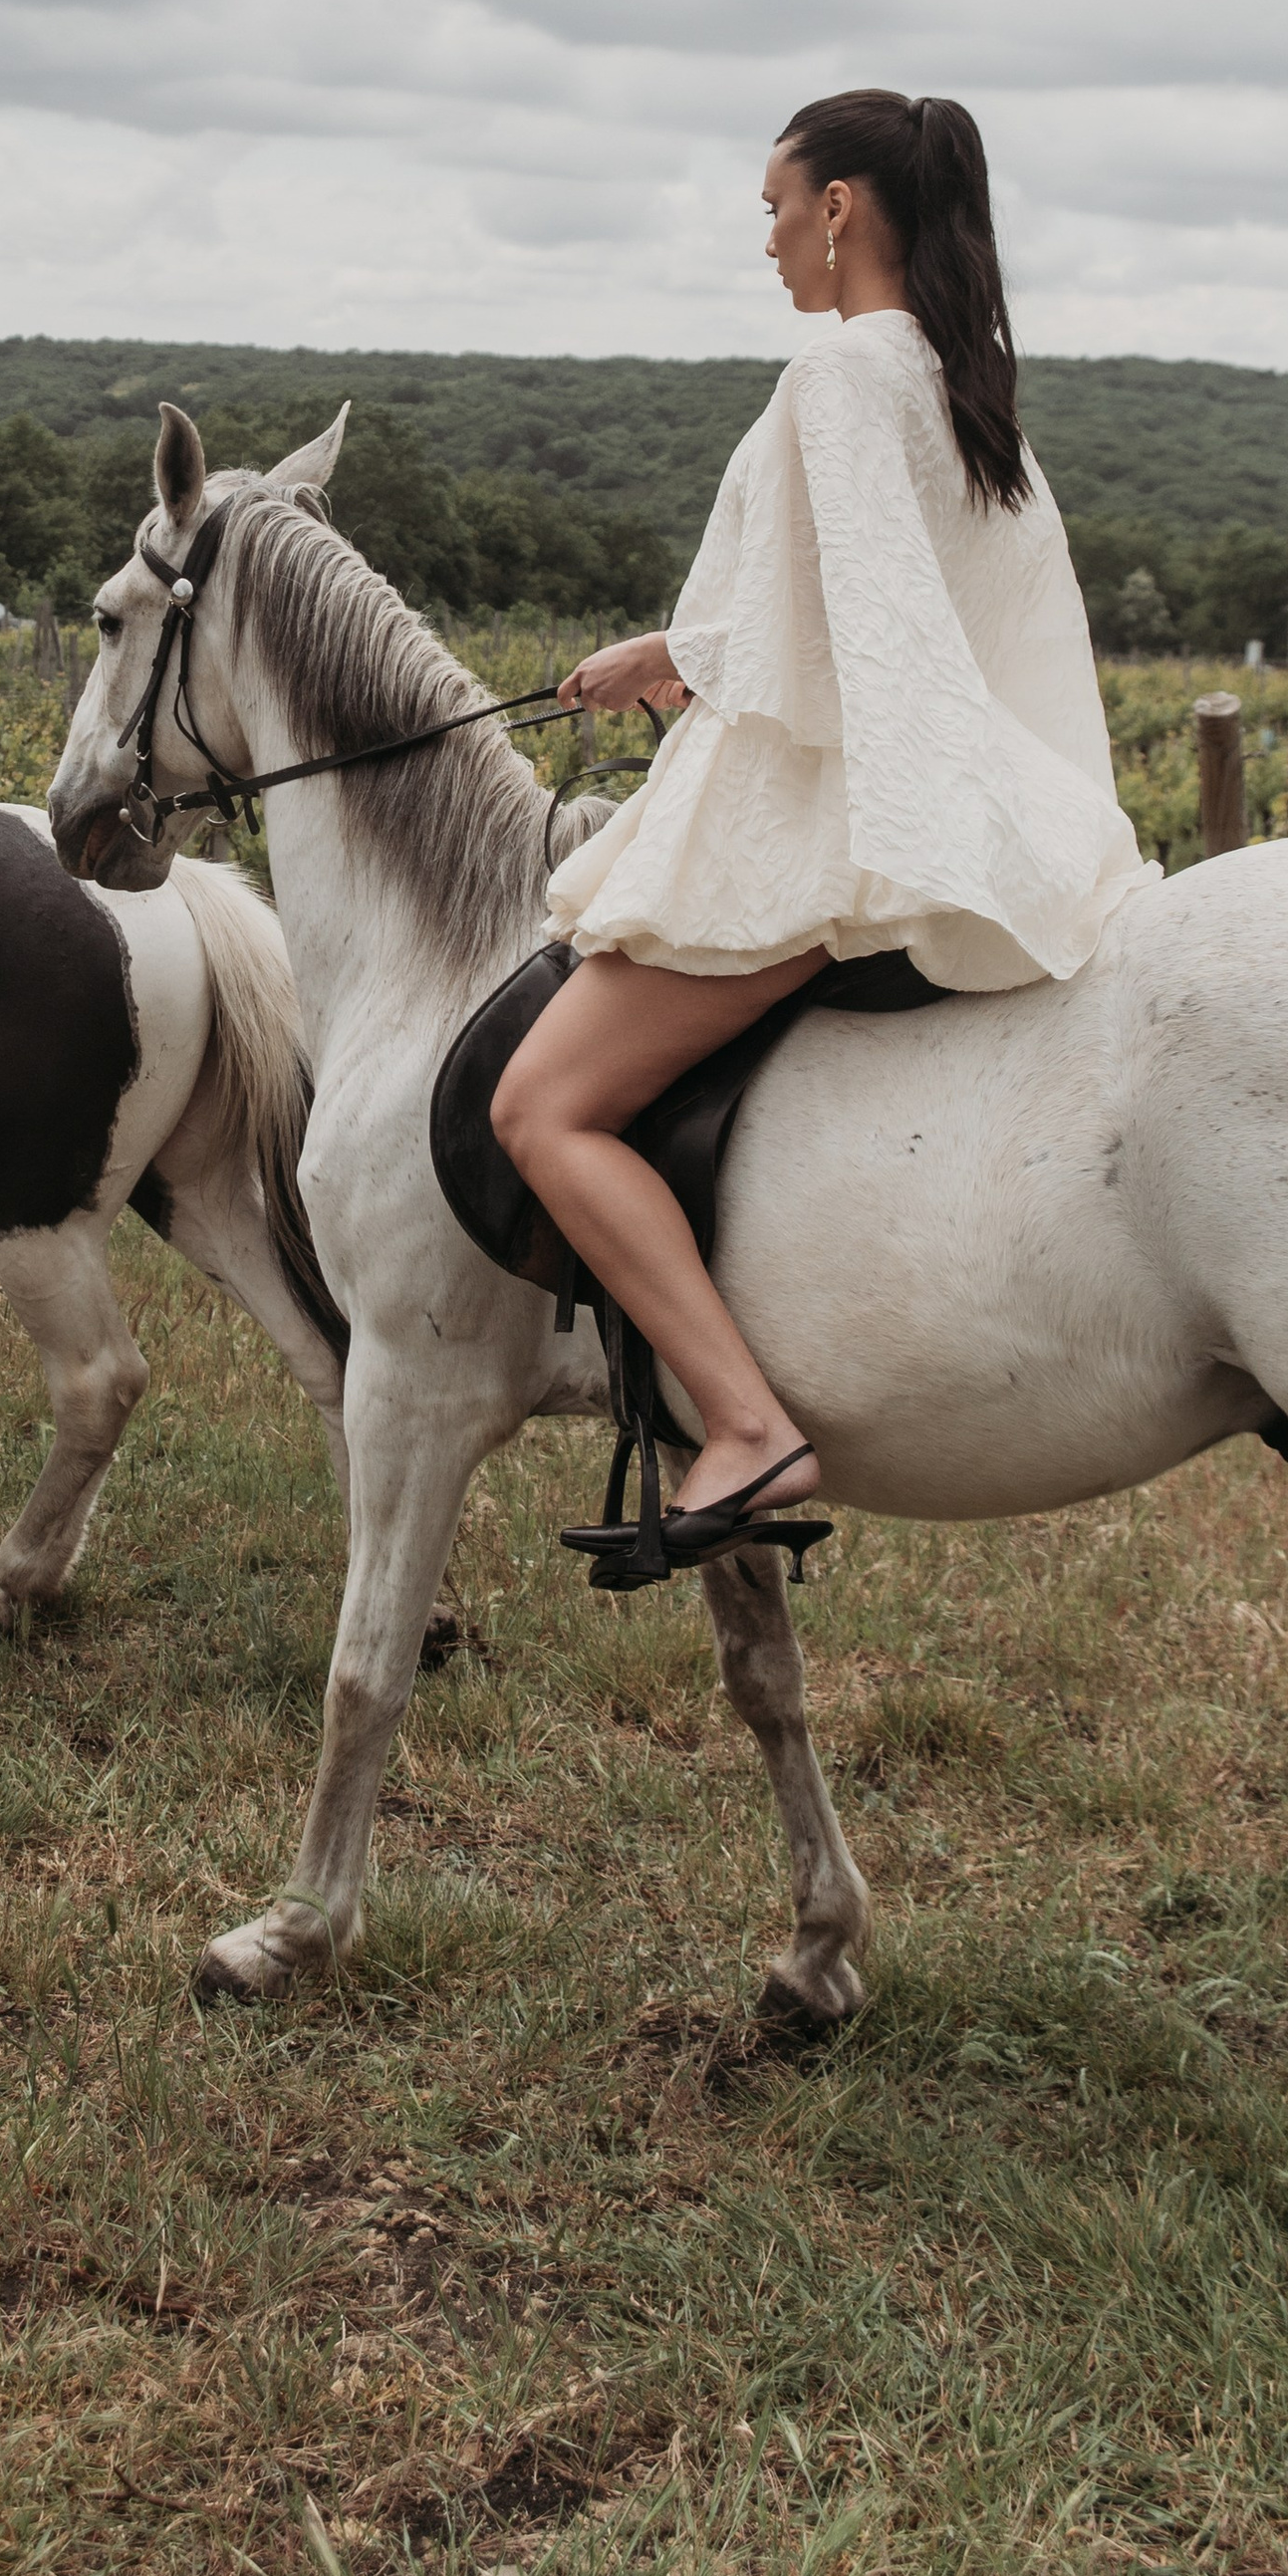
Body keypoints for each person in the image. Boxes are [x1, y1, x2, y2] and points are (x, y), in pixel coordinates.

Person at [489, 92, 1153, 1563]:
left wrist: (699, 658)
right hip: (933, 783)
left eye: (777, 208)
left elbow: (861, 628)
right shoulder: (964, 387)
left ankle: (741, 1420)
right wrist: (673, 649)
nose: (771, 239)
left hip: (825, 814)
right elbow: (859, 602)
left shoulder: (842, 372)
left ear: (843, 206)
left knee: (542, 1106)